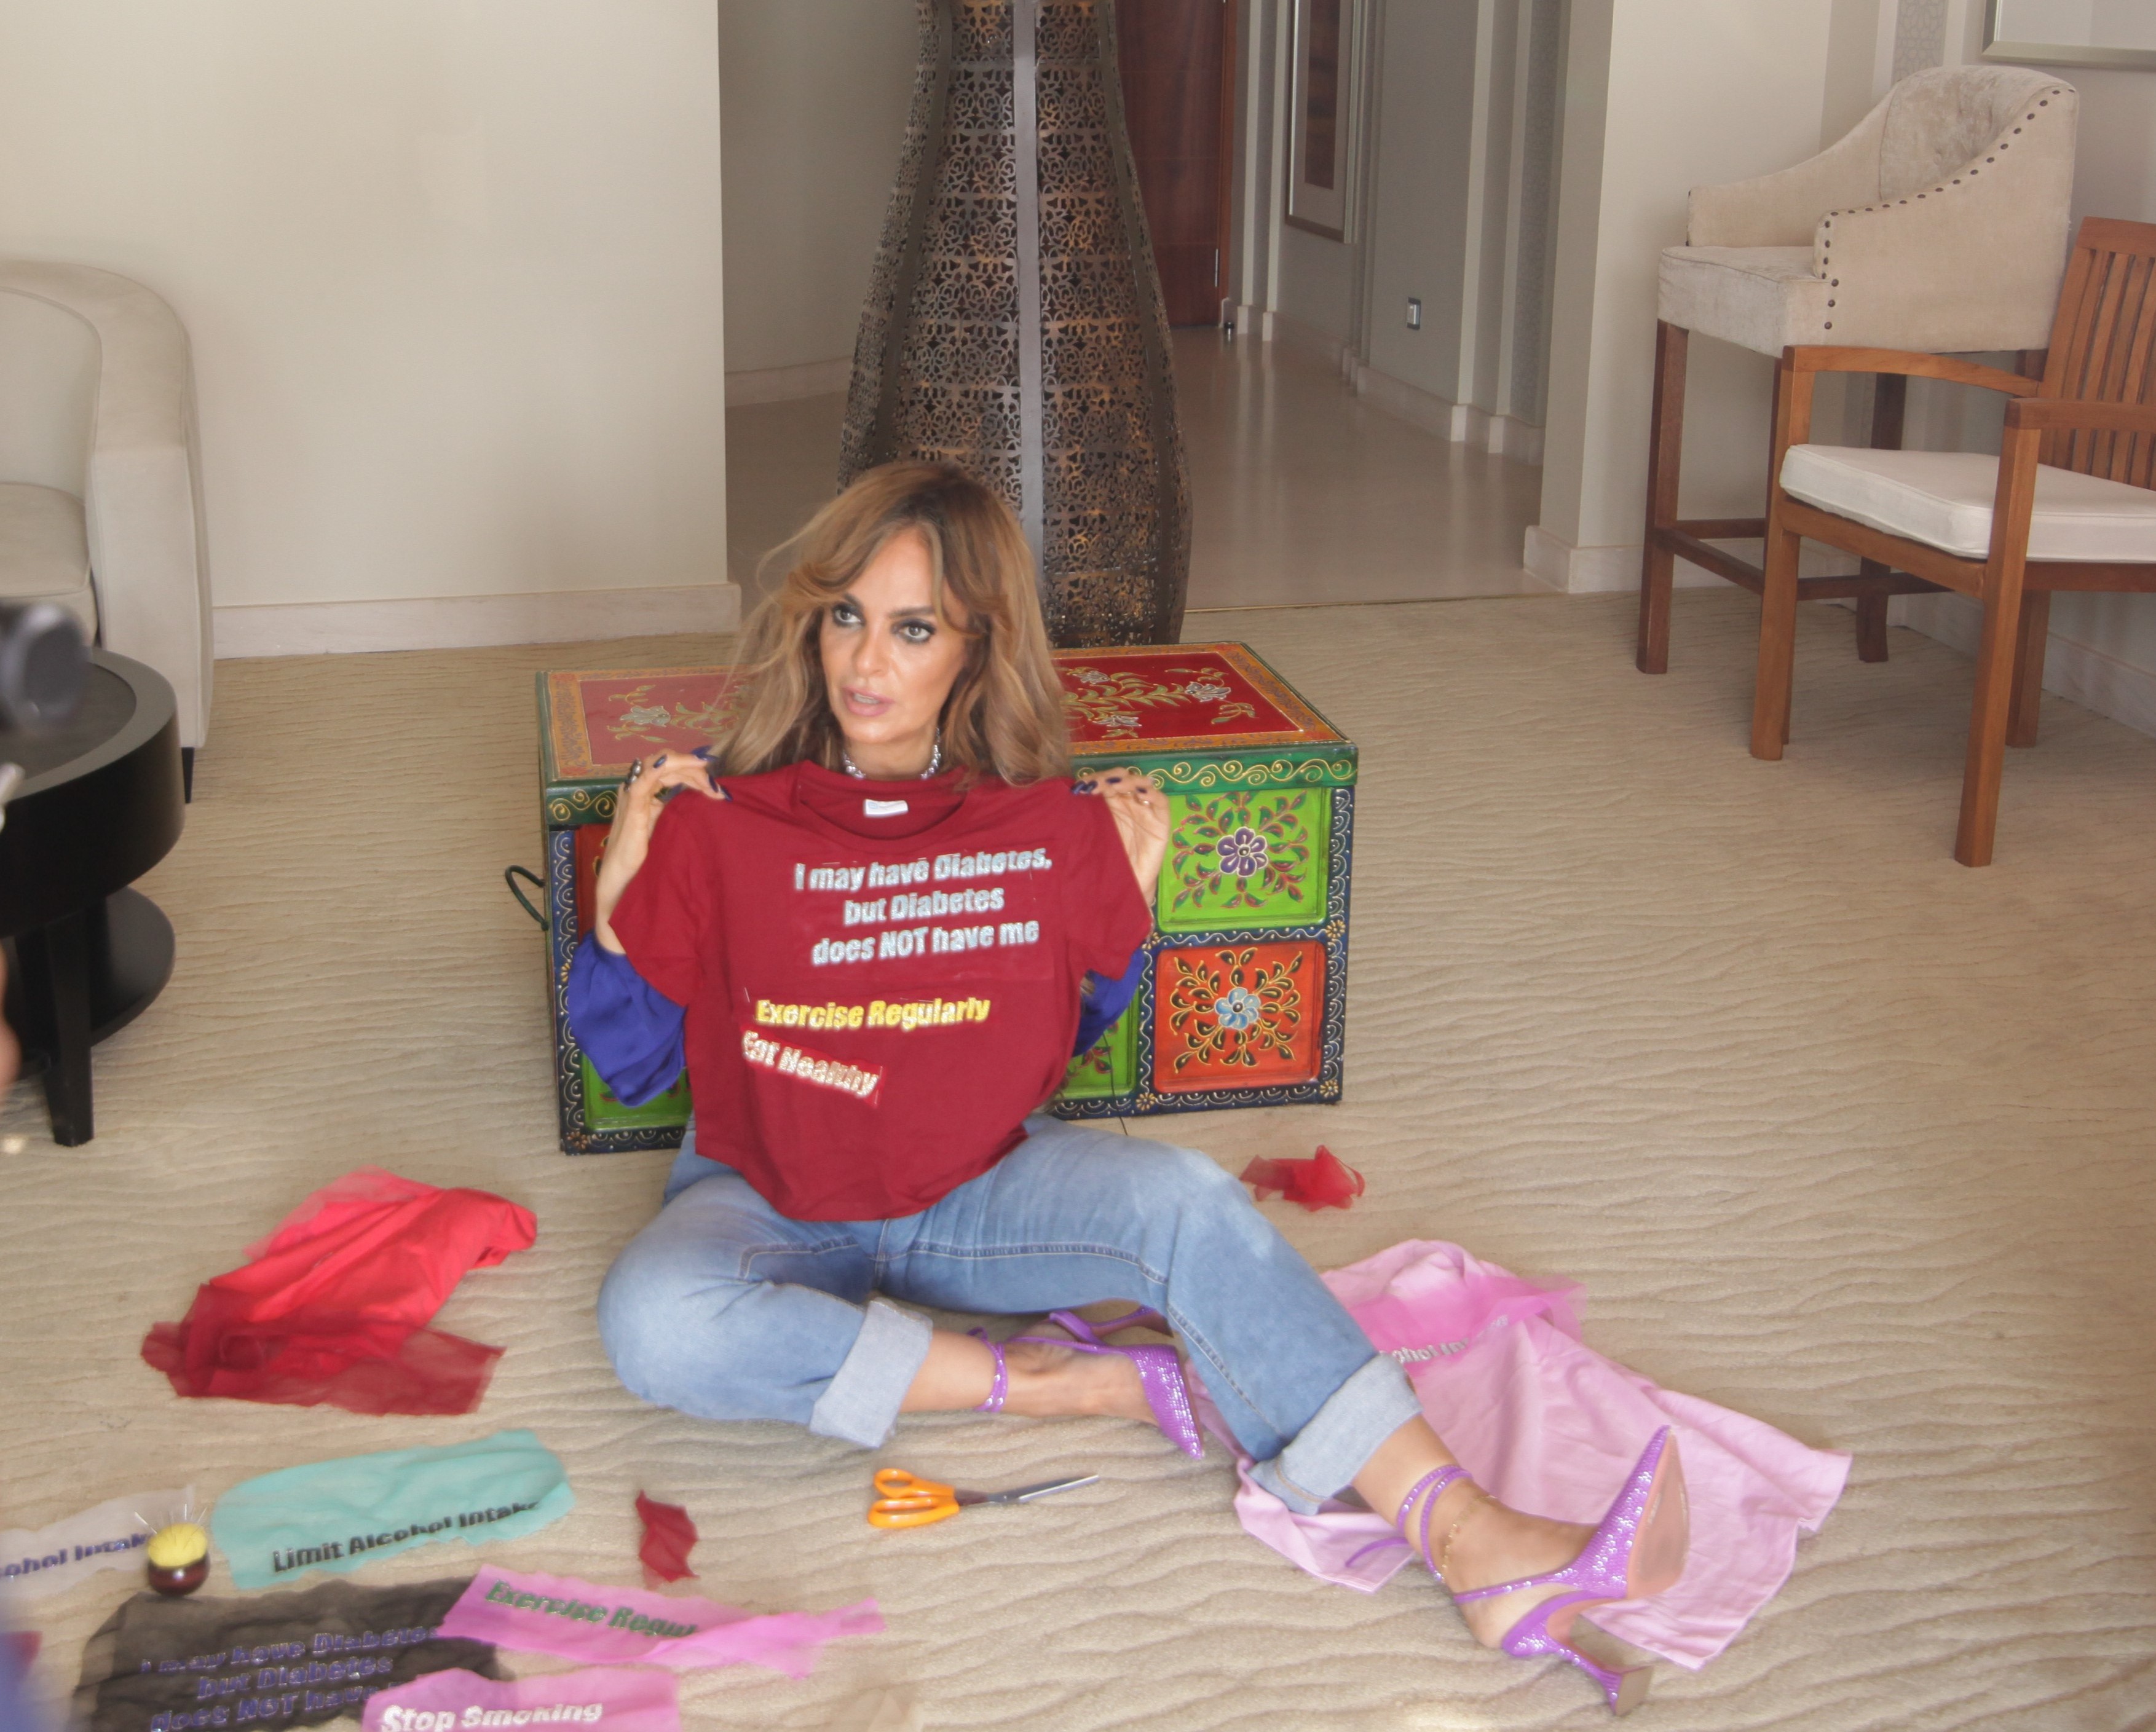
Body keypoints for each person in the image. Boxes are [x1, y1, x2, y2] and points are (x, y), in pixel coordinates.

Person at [567, 462, 1688, 1714]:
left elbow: (1033, 1057)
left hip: (969, 1191)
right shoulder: (725, 809)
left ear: (977, 645)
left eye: (913, 628)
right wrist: (617, 910)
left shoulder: (1027, 820)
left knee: (1190, 1200)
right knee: (652, 1320)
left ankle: (1466, 1533)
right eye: (846, 616)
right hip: (764, 1188)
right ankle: (1054, 1381)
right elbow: (634, 1065)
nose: (865, 662)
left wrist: (1116, 917)